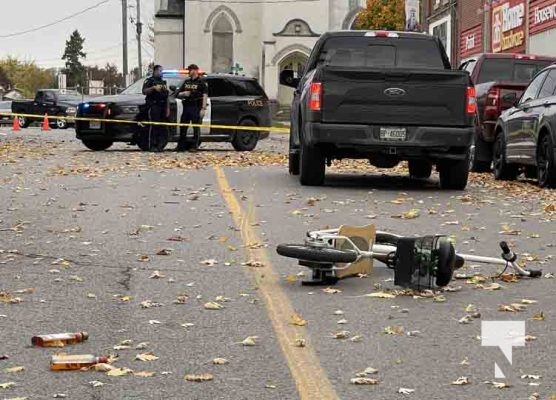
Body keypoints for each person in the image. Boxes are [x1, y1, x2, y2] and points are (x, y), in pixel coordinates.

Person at [176, 64, 208, 152]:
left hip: (196, 106)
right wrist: (183, 94)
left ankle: (194, 146)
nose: (188, 72)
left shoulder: (201, 83)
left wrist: (203, 108)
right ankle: (180, 146)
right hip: (186, 107)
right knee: (183, 127)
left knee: (196, 128)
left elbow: (205, 95)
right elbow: (178, 94)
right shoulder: (187, 82)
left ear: (195, 71)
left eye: (189, 70)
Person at [140, 64, 170, 152]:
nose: (162, 73)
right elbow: (144, 91)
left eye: (162, 71)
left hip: (162, 106)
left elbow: (166, 96)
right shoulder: (149, 81)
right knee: (154, 126)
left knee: (161, 127)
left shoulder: (163, 82)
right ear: (155, 71)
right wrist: (153, 88)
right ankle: (152, 145)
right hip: (153, 106)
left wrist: (167, 109)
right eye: (160, 71)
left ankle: (160, 145)